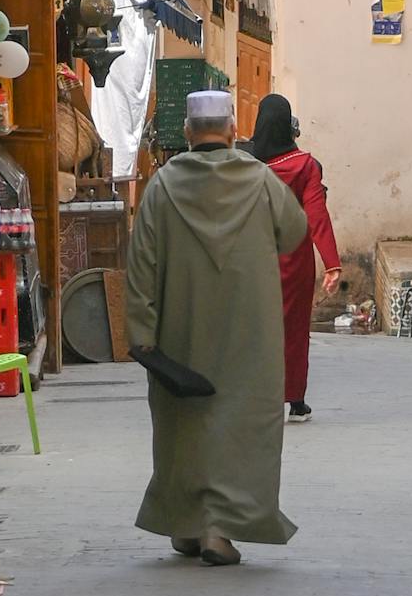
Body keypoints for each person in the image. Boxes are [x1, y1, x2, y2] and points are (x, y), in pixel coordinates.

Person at [125, 90, 308, 567]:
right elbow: (293, 233)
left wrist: (142, 336)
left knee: (184, 422)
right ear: (232, 132)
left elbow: (140, 265)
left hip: (179, 329)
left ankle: (187, 521)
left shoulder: (162, 187)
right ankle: (218, 530)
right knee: (241, 423)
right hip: (251, 330)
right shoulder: (261, 181)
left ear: (187, 132)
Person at [241, 94, 341, 424]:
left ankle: (259, 396)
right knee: (294, 330)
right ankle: (295, 400)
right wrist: (332, 263)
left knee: (257, 328)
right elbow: (317, 214)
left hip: (255, 258)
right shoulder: (305, 166)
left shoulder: (246, 165)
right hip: (295, 259)